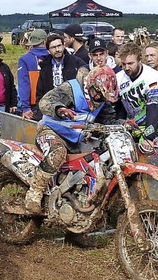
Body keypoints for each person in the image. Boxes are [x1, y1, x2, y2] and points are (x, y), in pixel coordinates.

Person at [25, 66, 119, 215]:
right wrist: (60, 109)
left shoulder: (101, 101)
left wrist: (124, 125)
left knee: (90, 165)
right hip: (50, 131)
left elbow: (109, 121)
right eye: (98, 94)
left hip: (73, 141)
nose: (99, 98)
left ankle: (76, 211)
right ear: (91, 86)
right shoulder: (70, 89)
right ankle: (34, 194)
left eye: (103, 96)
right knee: (57, 153)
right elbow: (45, 102)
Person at [114, 42, 158, 144]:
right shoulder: (119, 77)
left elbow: (154, 107)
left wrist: (149, 137)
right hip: (131, 126)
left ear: (139, 60)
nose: (127, 68)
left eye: (130, 63)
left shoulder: (152, 76)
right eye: (123, 64)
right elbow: (118, 106)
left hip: (153, 124)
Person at [35, 33, 87, 105]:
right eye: (53, 47)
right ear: (48, 50)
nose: (57, 49)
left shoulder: (76, 63)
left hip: (74, 106)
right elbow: (40, 93)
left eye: (59, 46)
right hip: (52, 106)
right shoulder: (45, 67)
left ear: (64, 46)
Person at [16, 28, 49, 120]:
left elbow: (24, 84)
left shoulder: (24, 59)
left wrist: (25, 107)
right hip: (53, 104)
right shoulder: (53, 57)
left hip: (34, 106)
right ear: (45, 41)